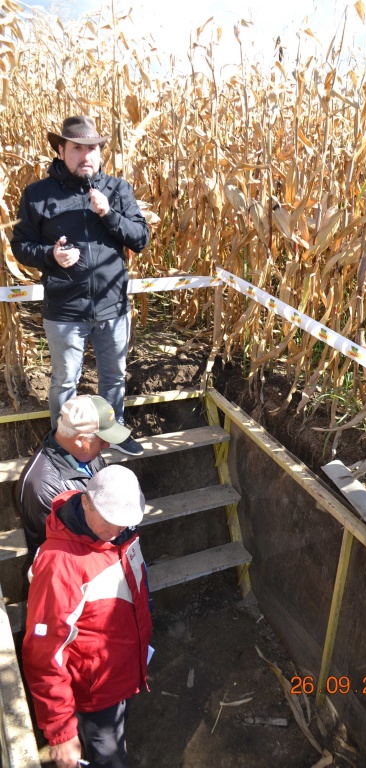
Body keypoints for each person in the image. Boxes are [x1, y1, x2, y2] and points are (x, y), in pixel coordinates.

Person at [11, 115, 149, 456]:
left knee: (114, 378)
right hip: (65, 310)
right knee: (65, 381)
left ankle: (112, 434)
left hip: (112, 308)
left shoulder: (117, 190)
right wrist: (51, 255)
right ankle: (63, 443)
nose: (86, 155)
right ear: (61, 150)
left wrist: (109, 215)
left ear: (100, 152)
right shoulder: (38, 195)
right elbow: (20, 246)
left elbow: (140, 238)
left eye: (92, 148)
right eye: (77, 148)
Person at [22, 464, 152, 768]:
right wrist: (61, 731)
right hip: (96, 694)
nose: (115, 530)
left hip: (124, 673)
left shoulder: (122, 534)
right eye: (108, 519)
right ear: (85, 502)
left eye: (123, 521)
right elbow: (44, 654)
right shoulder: (60, 565)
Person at [17, 393, 134, 556]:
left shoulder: (86, 453)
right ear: (80, 440)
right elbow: (68, 546)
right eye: (102, 440)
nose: (107, 445)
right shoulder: (41, 486)